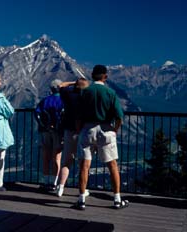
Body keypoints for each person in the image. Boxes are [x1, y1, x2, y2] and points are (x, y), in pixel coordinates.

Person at [75, 65, 129, 210]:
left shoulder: (85, 92)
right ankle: (117, 199)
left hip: (87, 130)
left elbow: (78, 116)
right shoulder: (110, 93)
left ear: (92, 76)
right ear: (105, 76)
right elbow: (119, 117)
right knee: (112, 165)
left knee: (84, 166)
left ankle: (81, 200)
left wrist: (79, 130)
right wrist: (114, 130)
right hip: (106, 130)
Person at [56, 77, 90, 197]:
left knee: (66, 161)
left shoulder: (68, 94)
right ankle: (82, 190)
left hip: (69, 130)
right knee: (83, 163)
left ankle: (60, 187)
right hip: (83, 131)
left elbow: (61, 85)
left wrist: (72, 82)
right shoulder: (86, 97)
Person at [35, 79, 64, 192]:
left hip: (45, 131)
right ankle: (54, 182)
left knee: (46, 156)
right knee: (56, 157)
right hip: (58, 131)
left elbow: (37, 114)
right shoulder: (63, 101)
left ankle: (46, 181)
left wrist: (44, 125)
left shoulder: (45, 100)